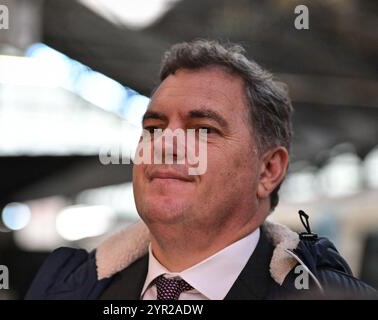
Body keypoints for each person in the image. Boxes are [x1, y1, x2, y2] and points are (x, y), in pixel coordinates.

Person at [25, 39, 376, 300]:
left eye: (204, 130)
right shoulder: (67, 288)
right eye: (154, 128)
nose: (166, 144)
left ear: (268, 170)